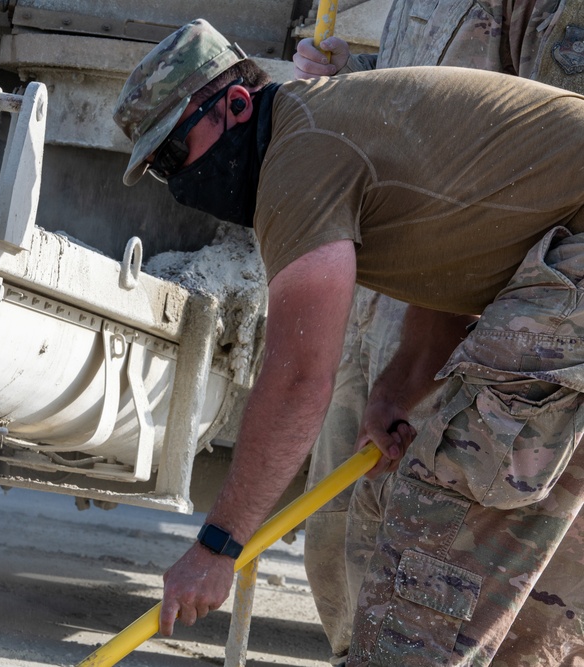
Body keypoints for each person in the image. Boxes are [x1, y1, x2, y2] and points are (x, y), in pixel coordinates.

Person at [113, 18, 584, 664]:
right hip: (561, 258)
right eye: (160, 168)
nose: (178, 179)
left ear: (237, 105)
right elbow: (455, 256)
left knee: (435, 532)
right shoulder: (328, 129)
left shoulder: (295, 157)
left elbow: (301, 378)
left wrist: (217, 547)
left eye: (173, 154)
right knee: (520, 591)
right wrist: (398, 387)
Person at [289, 1, 584, 664]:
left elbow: (555, 174)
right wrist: (351, 86)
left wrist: (418, 366)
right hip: (392, 326)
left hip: (493, 369)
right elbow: (448, 98)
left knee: (465, 620)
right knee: (351, 572)